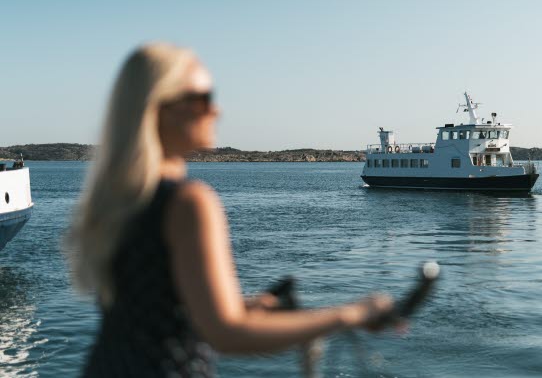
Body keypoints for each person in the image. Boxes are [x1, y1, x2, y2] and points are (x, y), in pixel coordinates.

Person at [64, 43, 393, 377]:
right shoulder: (188, 203)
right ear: (163, 107)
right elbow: (226, 334)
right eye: (203, 98)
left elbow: (151, 308)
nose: (216, 111)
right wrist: (353, 314)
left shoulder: (119, 201)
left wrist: (244, 305)